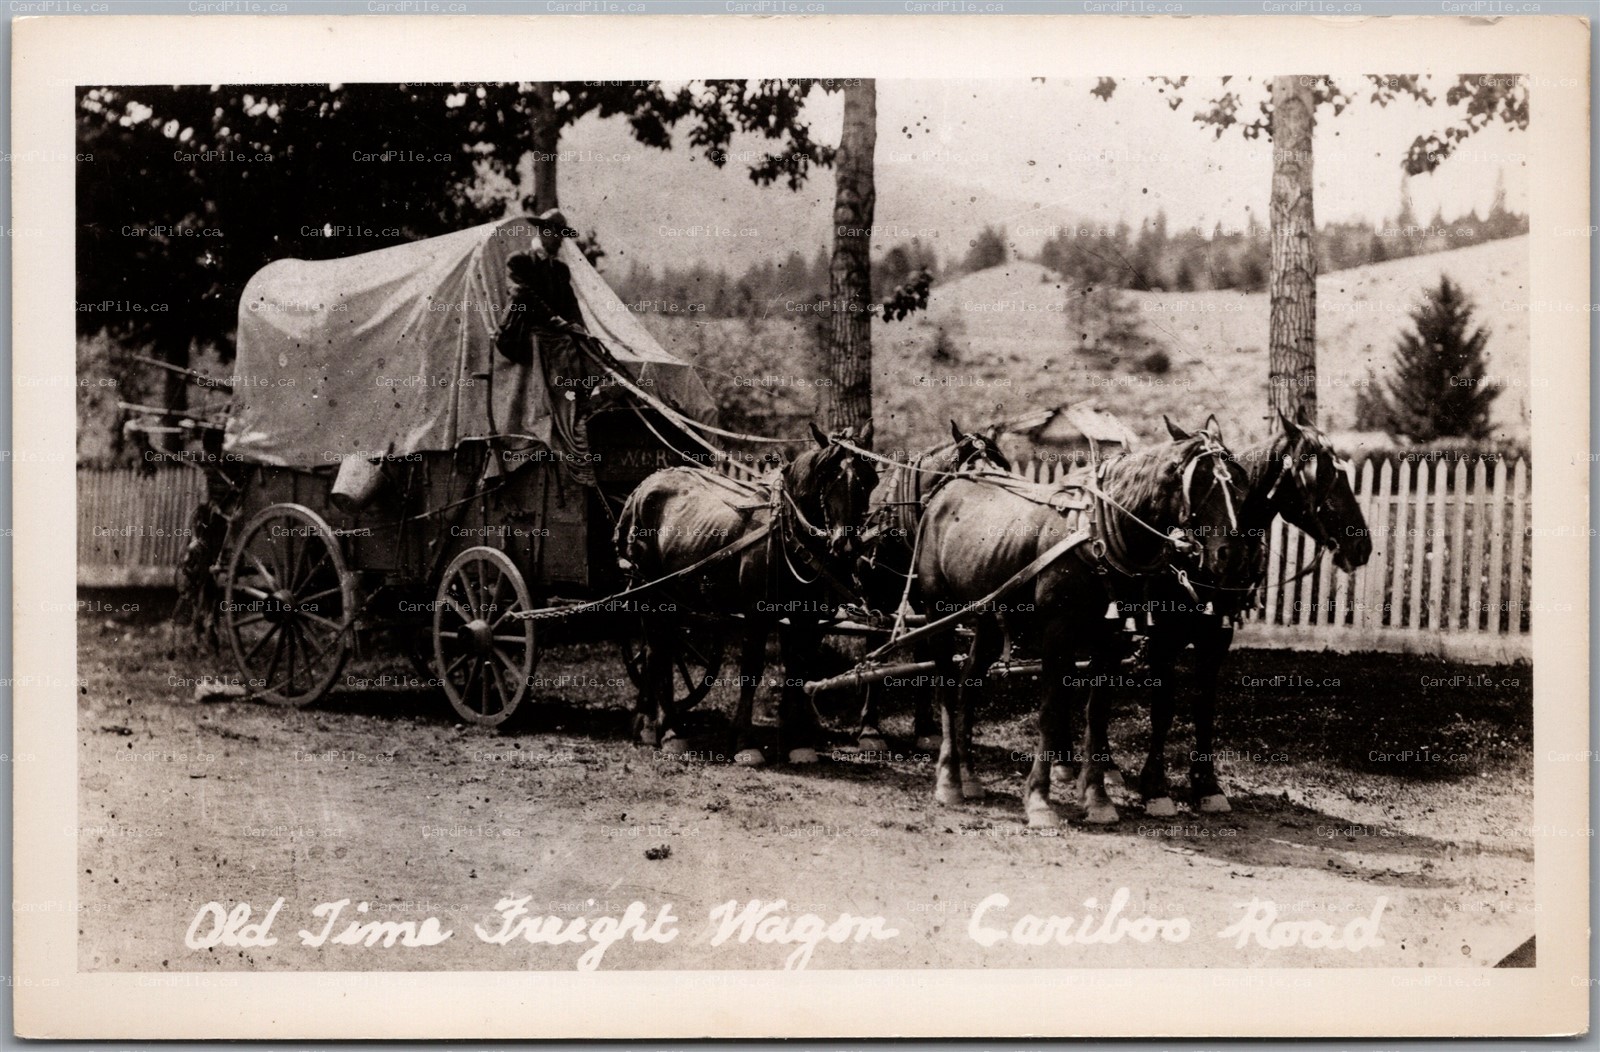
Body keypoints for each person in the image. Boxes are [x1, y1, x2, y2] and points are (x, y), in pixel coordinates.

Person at [495, 208, 600, 486]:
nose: (557, 240)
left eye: (562, 236)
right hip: (522, 332)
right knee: (559, 345)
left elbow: (571, 306)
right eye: (554, 233)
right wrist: (555, 320)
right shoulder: (519, 261)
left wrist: (583, 330)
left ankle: (580, 408)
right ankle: (555, 418)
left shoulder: (560, 269)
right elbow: (521, 294)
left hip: (554, 333)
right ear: (542, 232)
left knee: (585, 348)